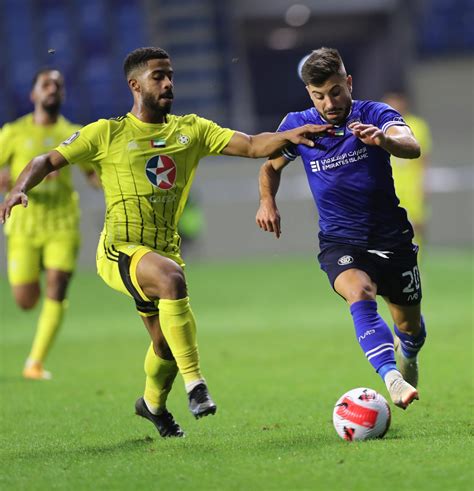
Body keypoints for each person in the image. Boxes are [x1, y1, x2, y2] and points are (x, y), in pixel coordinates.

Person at [0, 47, 331, 438]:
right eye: (158, 76)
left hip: (162, 250)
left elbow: (252, 145)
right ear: (135, 84)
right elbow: (45, 161)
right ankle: (197, 385)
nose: (168, 82)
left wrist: (288, 135)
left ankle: (152, 405)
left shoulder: (191, 130)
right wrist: (18, 189)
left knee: (165, 345)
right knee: (172, 280)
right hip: (119, 249)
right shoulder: (107, 133)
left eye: (170, 74)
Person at [256, 47, 427, 411]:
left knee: (410, 328)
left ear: (348, 82)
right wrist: (267, 202)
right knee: (359, 291)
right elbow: (270, 167)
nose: (328, 102)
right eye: (319, 95)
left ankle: (407, 354)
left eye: (335, 91)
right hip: (340, 240)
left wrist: (384, 141)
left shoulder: (375, 114)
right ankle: (390, 377)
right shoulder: (298, 125)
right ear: (309, 94)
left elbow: (411, 146)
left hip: (392, 238)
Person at [0, 68, 98, 381]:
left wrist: (108, 180)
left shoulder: (74, 133)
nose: (53, 88)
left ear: (63, 94)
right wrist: (7, 180)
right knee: (26, 301)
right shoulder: (13, 133)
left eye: (58, 84)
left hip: (62, 222)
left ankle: (35, 362)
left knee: (57, 286)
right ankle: (36, 280)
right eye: (46, 84)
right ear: (33, 95)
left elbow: (92, 175)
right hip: (24, 224)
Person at [383, 91, 432, 253]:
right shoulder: (380, 125)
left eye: (397, 101)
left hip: (412, 186)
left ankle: (416, 262)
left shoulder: (417, 125)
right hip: (390, 185)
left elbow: (424, 158)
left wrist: (424, 183)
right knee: (389, 227)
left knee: (416, 226)